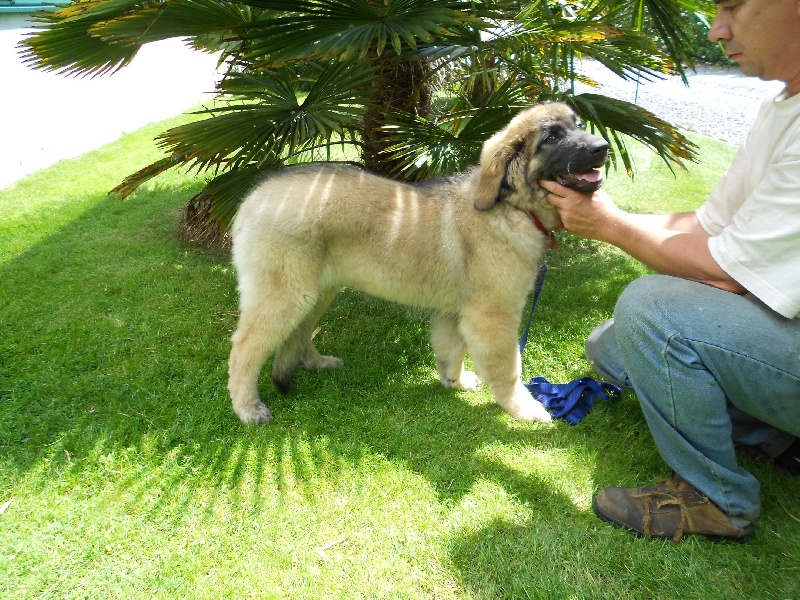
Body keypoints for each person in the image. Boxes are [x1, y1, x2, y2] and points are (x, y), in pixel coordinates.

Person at [540, 0, 800, 543]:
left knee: (654, 311)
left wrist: (608, 225)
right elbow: (710, 225)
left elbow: (728, 272)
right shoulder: (781, 107)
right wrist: (602, 215)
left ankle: (716, 501)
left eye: (733, 6)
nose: (715, 30)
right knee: (612, 347)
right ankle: (780, 437)